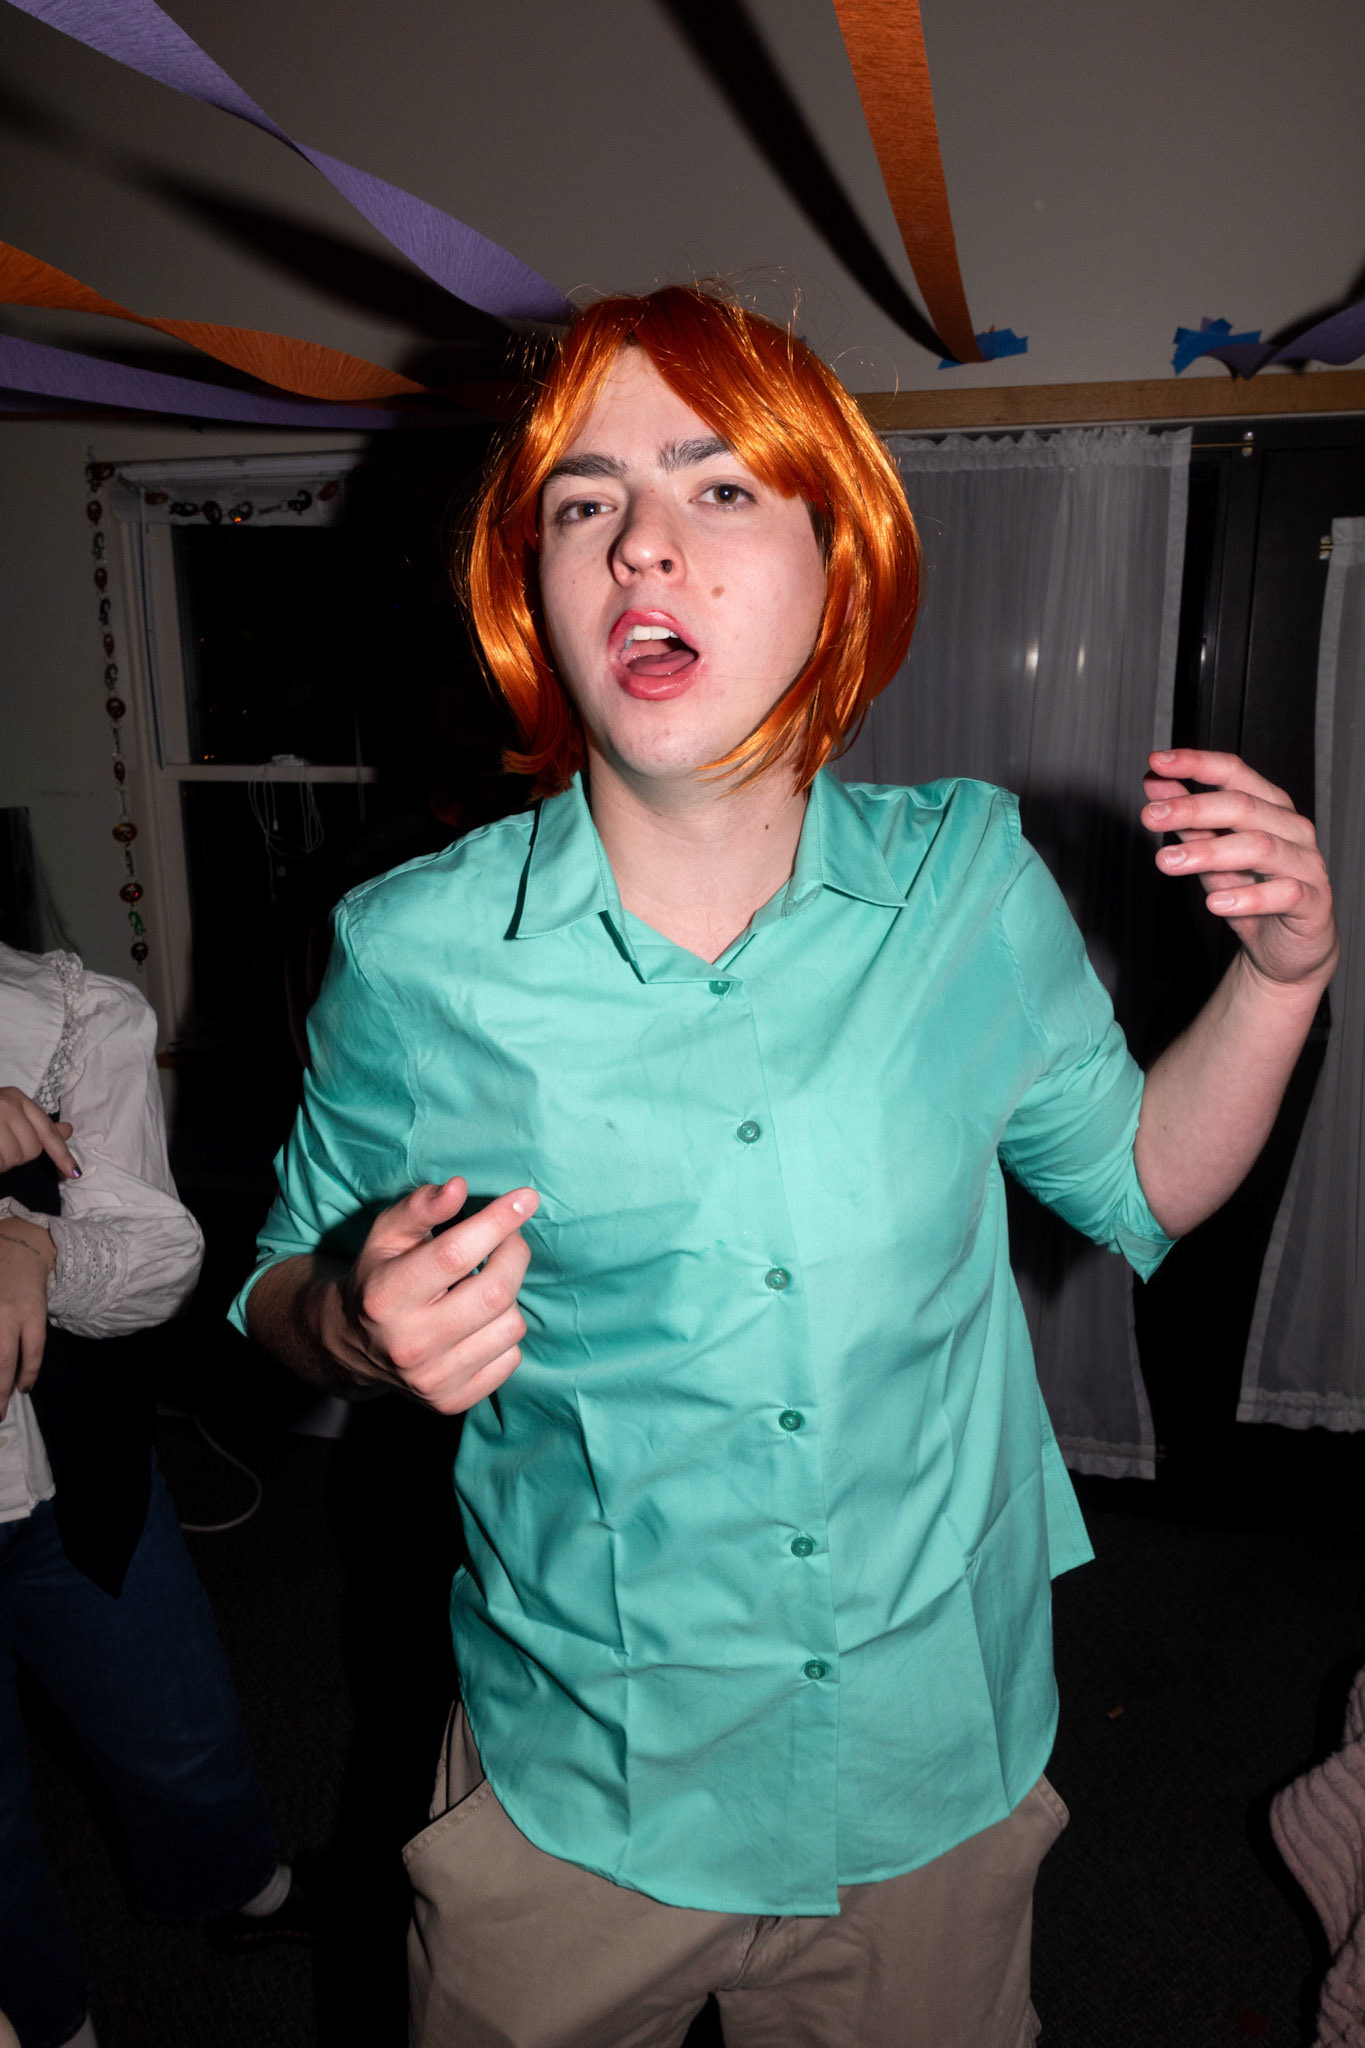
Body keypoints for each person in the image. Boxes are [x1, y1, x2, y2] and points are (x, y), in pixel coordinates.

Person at [235, 286, 1338, 2048]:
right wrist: (354, 1323)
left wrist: (1281, 982)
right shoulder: (413, 956)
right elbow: (276, 1281)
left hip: (927, 1772)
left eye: (720, 485)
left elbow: (1139, 1180)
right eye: (585, 500)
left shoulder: (969, 884)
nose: (641, 543)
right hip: (579, 1783)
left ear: (841, 564)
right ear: (535, 584)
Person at [0, 941, 305, 2048]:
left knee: (178, 1718)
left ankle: (239, 1885)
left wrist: (34, 1243)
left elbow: (159, 1266)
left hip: (66, 1472)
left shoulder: (67, 1008)